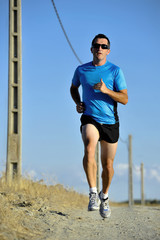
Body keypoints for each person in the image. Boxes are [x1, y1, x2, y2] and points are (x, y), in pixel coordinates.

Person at [70, 34, 128, 218]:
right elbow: (73, 88)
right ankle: (93, 193)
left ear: (108, 50)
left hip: (110, 121)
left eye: (104, 46)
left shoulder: (115, 71)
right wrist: (78, 102)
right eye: (96, 45)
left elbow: (125, 99)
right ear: (91, 49)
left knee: (108, 165)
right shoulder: (81, 70)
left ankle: (105, 196)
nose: (100, 49)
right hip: (90, 118)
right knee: (89, 148)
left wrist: (106, 90)